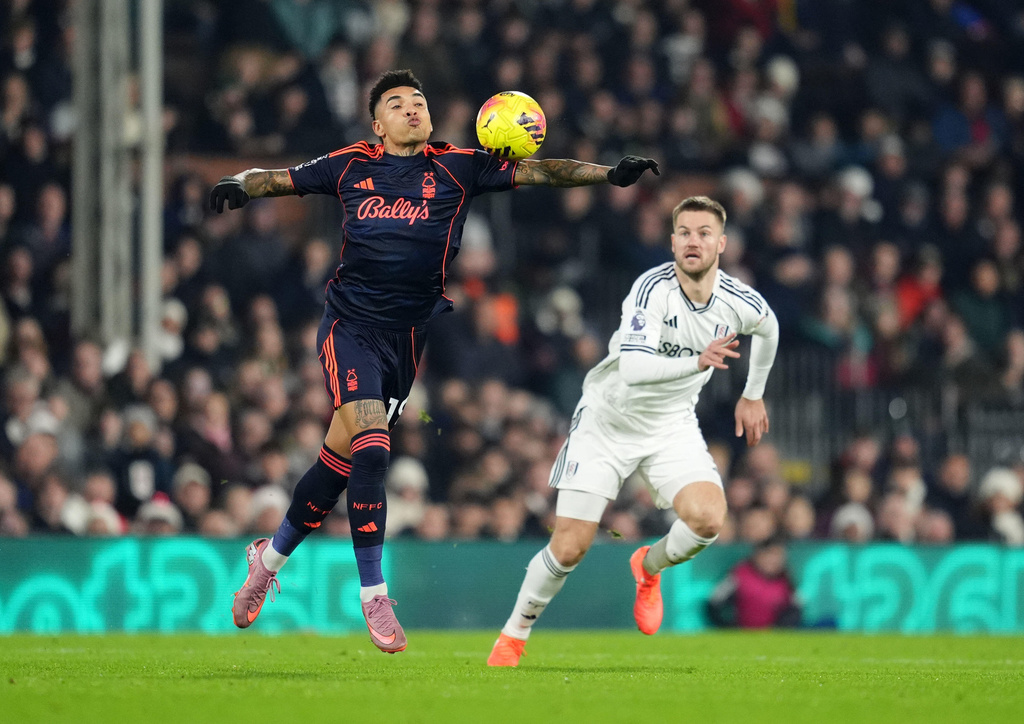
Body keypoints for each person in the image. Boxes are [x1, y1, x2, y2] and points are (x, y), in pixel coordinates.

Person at [210, 69, 659, 654]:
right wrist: (239, 184)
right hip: (350, 326)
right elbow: (280, 178)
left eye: (418, 100)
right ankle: (374, 594)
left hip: (407, 339)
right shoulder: (349, 164)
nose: (412, 109)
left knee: (340, 461)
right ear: (378, 123)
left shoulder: (458, 165)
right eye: (397, 103)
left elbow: (543, 171)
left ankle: (266, 559)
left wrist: (609, 174)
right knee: (373, 444)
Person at [486, 195, 779, 666]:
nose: (693, 240)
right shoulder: (651, 289)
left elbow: (770, 327)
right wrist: (697, 360)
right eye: (684, 231)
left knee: (708, 519)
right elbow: (637, 369)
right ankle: (514, 634)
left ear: (721, 244)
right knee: (569, 547)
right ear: (672, 241)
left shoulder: (738, 300)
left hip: (670, 426)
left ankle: (647, 566)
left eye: (704, 232)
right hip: (607, 421)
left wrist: (753, 393)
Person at [705, 536, 801, 628]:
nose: (773, 561)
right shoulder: (739, 575)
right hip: (740, 634)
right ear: (758, 555)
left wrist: (778, 629)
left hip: (771, 637)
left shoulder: (786, 581)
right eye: (769, 555)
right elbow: (715, 602)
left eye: (778, 556)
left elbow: (795, 610)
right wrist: (728, 627)